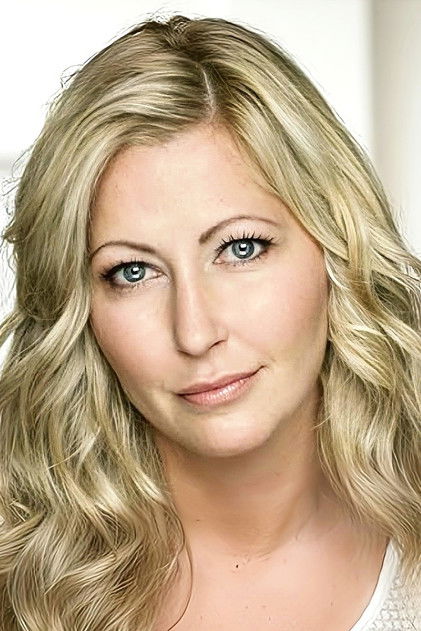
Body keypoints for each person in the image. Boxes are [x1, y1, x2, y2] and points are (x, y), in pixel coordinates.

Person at [0, 13, 419, 631]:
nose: (195, 333)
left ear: (337, 247)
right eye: (133, 272)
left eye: (241, 248)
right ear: (81, 309)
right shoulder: (23, 582)